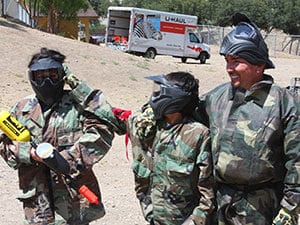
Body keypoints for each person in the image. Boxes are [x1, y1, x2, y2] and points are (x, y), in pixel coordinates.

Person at [132, 13, 300, 225]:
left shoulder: (286, 103)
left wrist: (289, 209)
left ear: (258, 64)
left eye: (236, 61)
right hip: (219, 203)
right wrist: (151, 111)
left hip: (263, 207)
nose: (229, 68)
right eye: (227, 61)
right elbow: (181, 109)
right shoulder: (217, 97)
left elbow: (297, 162)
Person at [0, 48, 125, 225]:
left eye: (53, 74)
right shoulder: (21, 109)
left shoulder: (79, 106)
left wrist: (65, 159)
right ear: (31, 77)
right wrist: (28, 153)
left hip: (73, 201)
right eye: (40, 76)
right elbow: (4, 146)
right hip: (38, 204)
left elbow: (103, 131)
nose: (46, 81)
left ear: (63, 75)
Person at [127, 72, 215, 225]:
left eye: (159, 91)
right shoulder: (148, 126)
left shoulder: (197, 134)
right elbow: (105, 113)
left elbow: (207, 193)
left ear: (173, 98)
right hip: (154, 218)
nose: (154, 96)